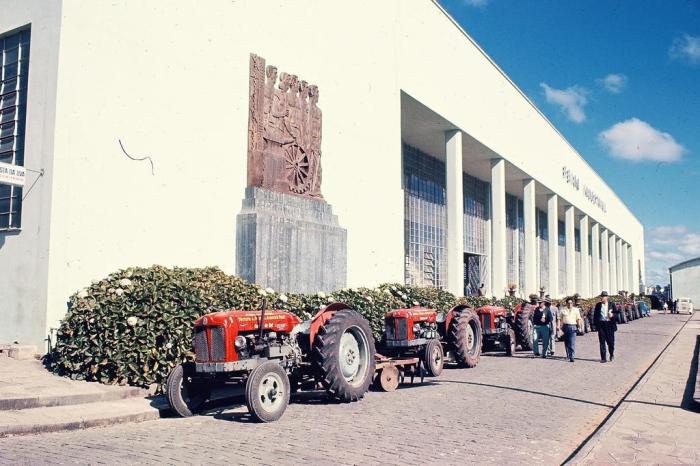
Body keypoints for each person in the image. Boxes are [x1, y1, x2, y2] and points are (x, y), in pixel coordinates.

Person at [593, 291, 617, 363]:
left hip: (609, 325)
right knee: (602, 342)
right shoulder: (598, 305)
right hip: (601, 325)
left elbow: (617, 314)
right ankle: (603, 358)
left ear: (606, 297)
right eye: (601, 296)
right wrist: (595, 325)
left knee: (611, 343)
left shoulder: (612, 304)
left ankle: (611, 354)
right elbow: (595, 316)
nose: (601, 298)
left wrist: (612, 315)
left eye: (603, 296)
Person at [559, 297, 583, 363]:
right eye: (568, 303)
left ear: (573, 303)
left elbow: (578, 319)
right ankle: (568, 355)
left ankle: (572, 356)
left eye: (571, 303)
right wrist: (559, 328)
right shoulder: (563, 310)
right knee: (566, 343)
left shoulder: (576, 310)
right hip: (565, 327)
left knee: (572, 342)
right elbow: (559, 319)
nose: (570, 304)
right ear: (566, 303)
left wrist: (579, 327)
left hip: (573, 327)